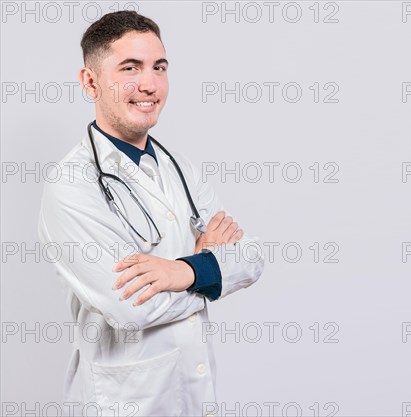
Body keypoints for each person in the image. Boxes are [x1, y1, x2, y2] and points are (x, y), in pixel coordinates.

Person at [37, 10, 264, 416]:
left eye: (159, 67)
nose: (149, 84)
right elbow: (131, 308)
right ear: (90, 82)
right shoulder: (72, 185)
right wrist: (210, 267)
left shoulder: (181, 168)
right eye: (130, 67)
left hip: (193, 395)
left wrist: (182, 272)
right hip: (123, 402)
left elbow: (250, 258)